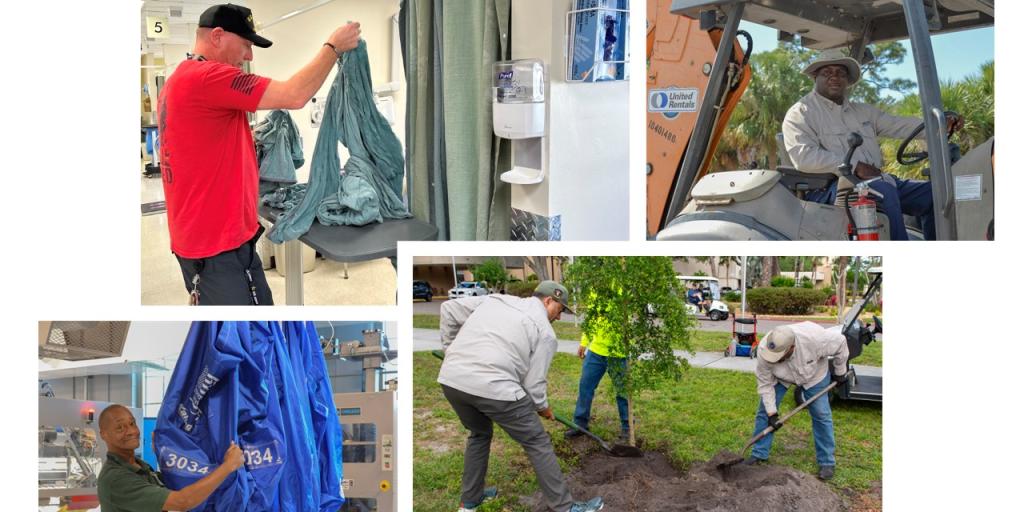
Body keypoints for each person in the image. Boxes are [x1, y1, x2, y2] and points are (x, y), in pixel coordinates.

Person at [158, 4, 361, 304]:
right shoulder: (209, 77)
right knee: (255, 337)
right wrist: (334, 47)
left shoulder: (179, 80)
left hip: (199, 244)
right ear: (217, 36)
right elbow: (294, 95)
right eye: (246, 45)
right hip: (218, 251)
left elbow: (201, 146)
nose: (249, 56)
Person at [437, 281, 604, 512]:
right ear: (548, 300)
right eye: (560, 309)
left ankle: (470, 501)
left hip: (452, 380)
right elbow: (534, 386)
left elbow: (448, 309)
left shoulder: (496, 300)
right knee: (537, 441)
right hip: (495, 387)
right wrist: (542, 407)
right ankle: (565, 507)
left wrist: (450, 351)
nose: (560, 317)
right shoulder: (545, 333)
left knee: (479, 434)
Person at [782, 49, 963, 240]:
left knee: (936, 193)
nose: (834, 77)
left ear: (847, 80)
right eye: (827, 72)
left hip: (875, 181)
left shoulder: (863, 112)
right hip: (829, 188)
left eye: (840, 73)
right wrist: (856, 166)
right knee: (883, 191)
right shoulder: (801, 113)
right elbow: (804, 157)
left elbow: (898, 125)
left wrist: (941, 125)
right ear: (815, 76)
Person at [744, 323, 849, 480]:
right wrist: (772, 413)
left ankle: (827, 462)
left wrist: (840, 371)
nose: (775, 358)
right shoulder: (764, 351)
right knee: (764, 413)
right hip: (782, 377)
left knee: (822, 415)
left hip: (814, 375)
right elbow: (765, 385)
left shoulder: (815, 339)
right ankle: (759, 453)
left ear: (792, 347)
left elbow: (841, 343)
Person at [96, 404, 244, 511]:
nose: (130, 431)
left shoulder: (141, 467)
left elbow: (172, 484)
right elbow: (182, 501)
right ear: (104, 434)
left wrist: (162, 456)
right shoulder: (116, 478)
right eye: (120, 427)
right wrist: (228, 466)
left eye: (132, 423)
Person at [566, 298, 631, 444]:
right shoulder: (595, 290)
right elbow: (591, 318)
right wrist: (584, 342)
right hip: (595, 351)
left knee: (622, 392)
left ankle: (627, 428)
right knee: (585, 387)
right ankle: (580, 425)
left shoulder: (624, 287)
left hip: (618, 353)